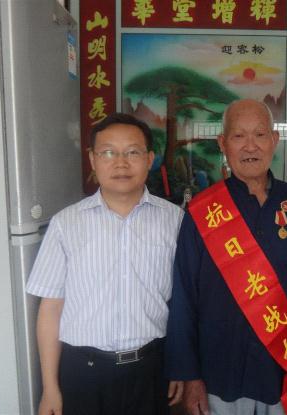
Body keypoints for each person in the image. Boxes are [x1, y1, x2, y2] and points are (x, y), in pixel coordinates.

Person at [165, 99, 287, 415]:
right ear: (223, 143)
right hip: (220, 369)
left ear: (274, 140)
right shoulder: (202, 212)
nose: (250, 146)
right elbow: (184, 296)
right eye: (238, 136)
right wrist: (189, 374)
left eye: (259, 135)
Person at [26, 113, 184, 415]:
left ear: (149, 159)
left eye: (133, 152)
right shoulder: (65, 224)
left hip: (152, 370)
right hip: (82, 374)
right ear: (92, 159)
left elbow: (183, 304)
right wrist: (50, 387)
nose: (121, 163)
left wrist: (181, 366)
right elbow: (51, 309)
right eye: (109, 152)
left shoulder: (175, 220)